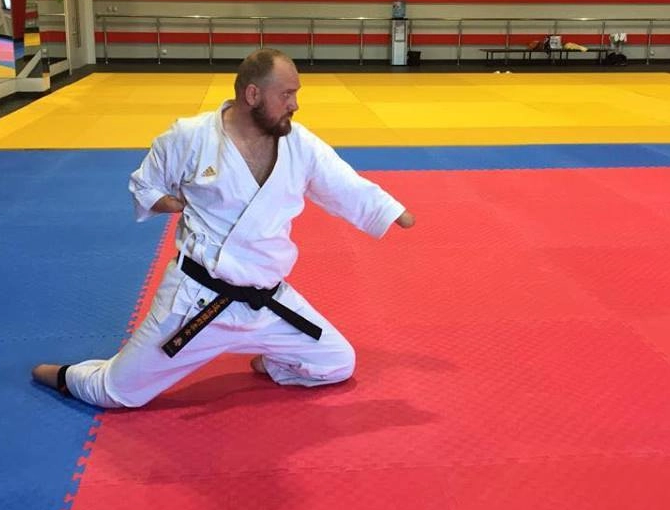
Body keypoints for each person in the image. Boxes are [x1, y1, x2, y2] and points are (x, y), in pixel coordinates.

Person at [32, 49, 416, 408]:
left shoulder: (300, 144)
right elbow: (145, 183)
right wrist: (169, 202)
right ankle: (65, 375)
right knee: (117, 394)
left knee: (337, 363)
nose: (295, 104)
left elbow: (343, 183)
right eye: (287, 94)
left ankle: (272, 358)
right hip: (198, 301)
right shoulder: (191, 137)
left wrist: (387, 209)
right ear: (253, 94)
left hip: (267, 301)